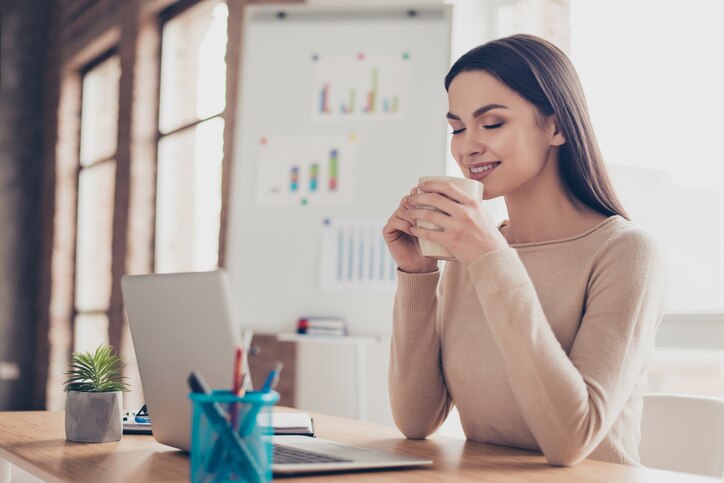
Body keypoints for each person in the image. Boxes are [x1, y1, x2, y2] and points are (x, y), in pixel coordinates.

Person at [383, 34, 666, 467]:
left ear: (555, 126)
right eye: (457, 128)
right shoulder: (473, 252)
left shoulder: (626, 253)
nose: (466, 145)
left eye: (491, 123)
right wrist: (418, 275)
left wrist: (490, 259)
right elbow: (416, 421)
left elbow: (570, 442)